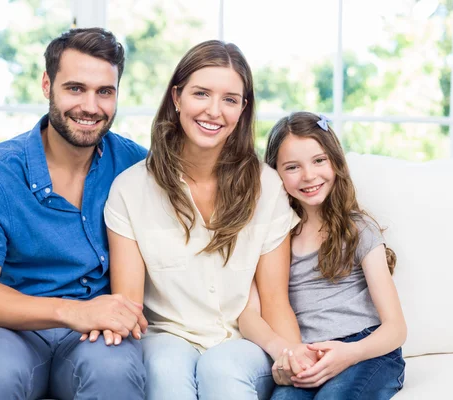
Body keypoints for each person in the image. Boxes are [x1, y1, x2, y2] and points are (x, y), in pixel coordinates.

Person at [0, 28, 148, 400]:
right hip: (6, 328)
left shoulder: (135, 165)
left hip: (94, 334)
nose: (91, 106)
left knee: (115, 373)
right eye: (75, 88)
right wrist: (72, 312)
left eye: (105, 92)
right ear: (47, 85)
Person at [86, 40, 302, 399]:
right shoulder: (130, 189)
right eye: (201, 94)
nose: (214, 111)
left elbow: (275, 300)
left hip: (243, 341)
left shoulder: (268, 186)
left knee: (223, 369)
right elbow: (129, 305)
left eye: (230, 99)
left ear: (242, 109)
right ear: (177, 98)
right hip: (164, 339)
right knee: (166, 370)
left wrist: (292, 361)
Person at [249, 111, 407, 399]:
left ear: (335, 161)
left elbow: (396, 328)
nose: (309, 176)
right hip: (307, 354)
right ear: (275, 174)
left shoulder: (358, 229)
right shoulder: (273, 237)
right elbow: (249, 313)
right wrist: (285, 352)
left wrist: (350, 352)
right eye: (293, 167)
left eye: (319, 160)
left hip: (366, 352)